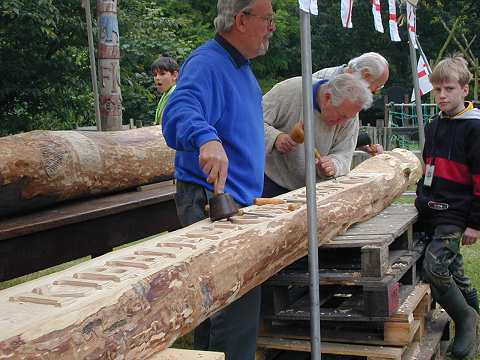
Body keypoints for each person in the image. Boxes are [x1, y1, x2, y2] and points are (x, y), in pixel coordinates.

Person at [162, 0, 275, 359]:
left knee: (225, 313)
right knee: (231, 308)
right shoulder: (208, 63)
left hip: (240, 203)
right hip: (211, 202)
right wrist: (205, 137)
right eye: (267, 19)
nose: (272, 27)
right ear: (241, 20)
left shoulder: (240, 67)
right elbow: (179, 111)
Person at [416, 55, 480, 359]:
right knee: (452, 268)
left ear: (465, 90)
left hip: (457, 212)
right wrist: (421, 198)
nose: (442, 95)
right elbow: (427, 168)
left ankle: (465, 318)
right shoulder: (434, 126)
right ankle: (473, 307)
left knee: (435, 266)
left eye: (449, 88)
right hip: (433, 209)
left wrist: (475, 223)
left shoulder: (475, 128)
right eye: (437, 89)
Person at [262, 73, 372, 197]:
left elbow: (344, 154)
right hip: (270, 181)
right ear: (327, 97)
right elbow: (252, 122)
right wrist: (275, 137)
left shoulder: (349, 113)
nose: (343, 123)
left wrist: (333, 164)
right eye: (341, 115)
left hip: (316, 190)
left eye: (349, 118)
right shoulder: (290, 90)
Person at [313, 52, 390, 156]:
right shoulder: (328, 83)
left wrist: (358, 142)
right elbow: (323, 129)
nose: (376, 91)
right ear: (366, 75)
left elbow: (344, 127)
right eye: (378, 86)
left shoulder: (353, 87)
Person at [151, 56, 179, 124]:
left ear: (175, 75)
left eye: (162, 74)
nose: (157, 78)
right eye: (155, 75)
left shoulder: (177, 96)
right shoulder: (167, 94)